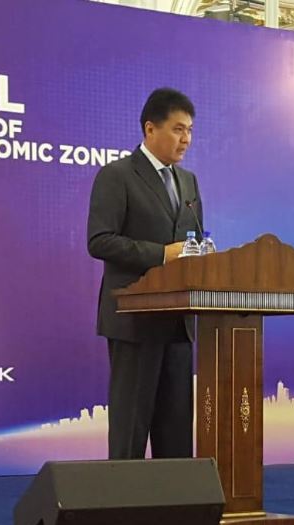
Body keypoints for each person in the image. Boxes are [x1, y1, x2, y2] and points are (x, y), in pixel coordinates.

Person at [87, 88, 204, 459]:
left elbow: (193, 240)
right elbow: (100, 241)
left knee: (177, 431)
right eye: (178, 129)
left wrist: (203, 256)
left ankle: (175, 495)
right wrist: (162, 255)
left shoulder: (189, 181)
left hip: (178, 322)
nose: (186, 139)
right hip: (134, 320)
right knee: (131, 430)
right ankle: (124, 496)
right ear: (150, 129)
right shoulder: (117, 175)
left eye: (189, 130)